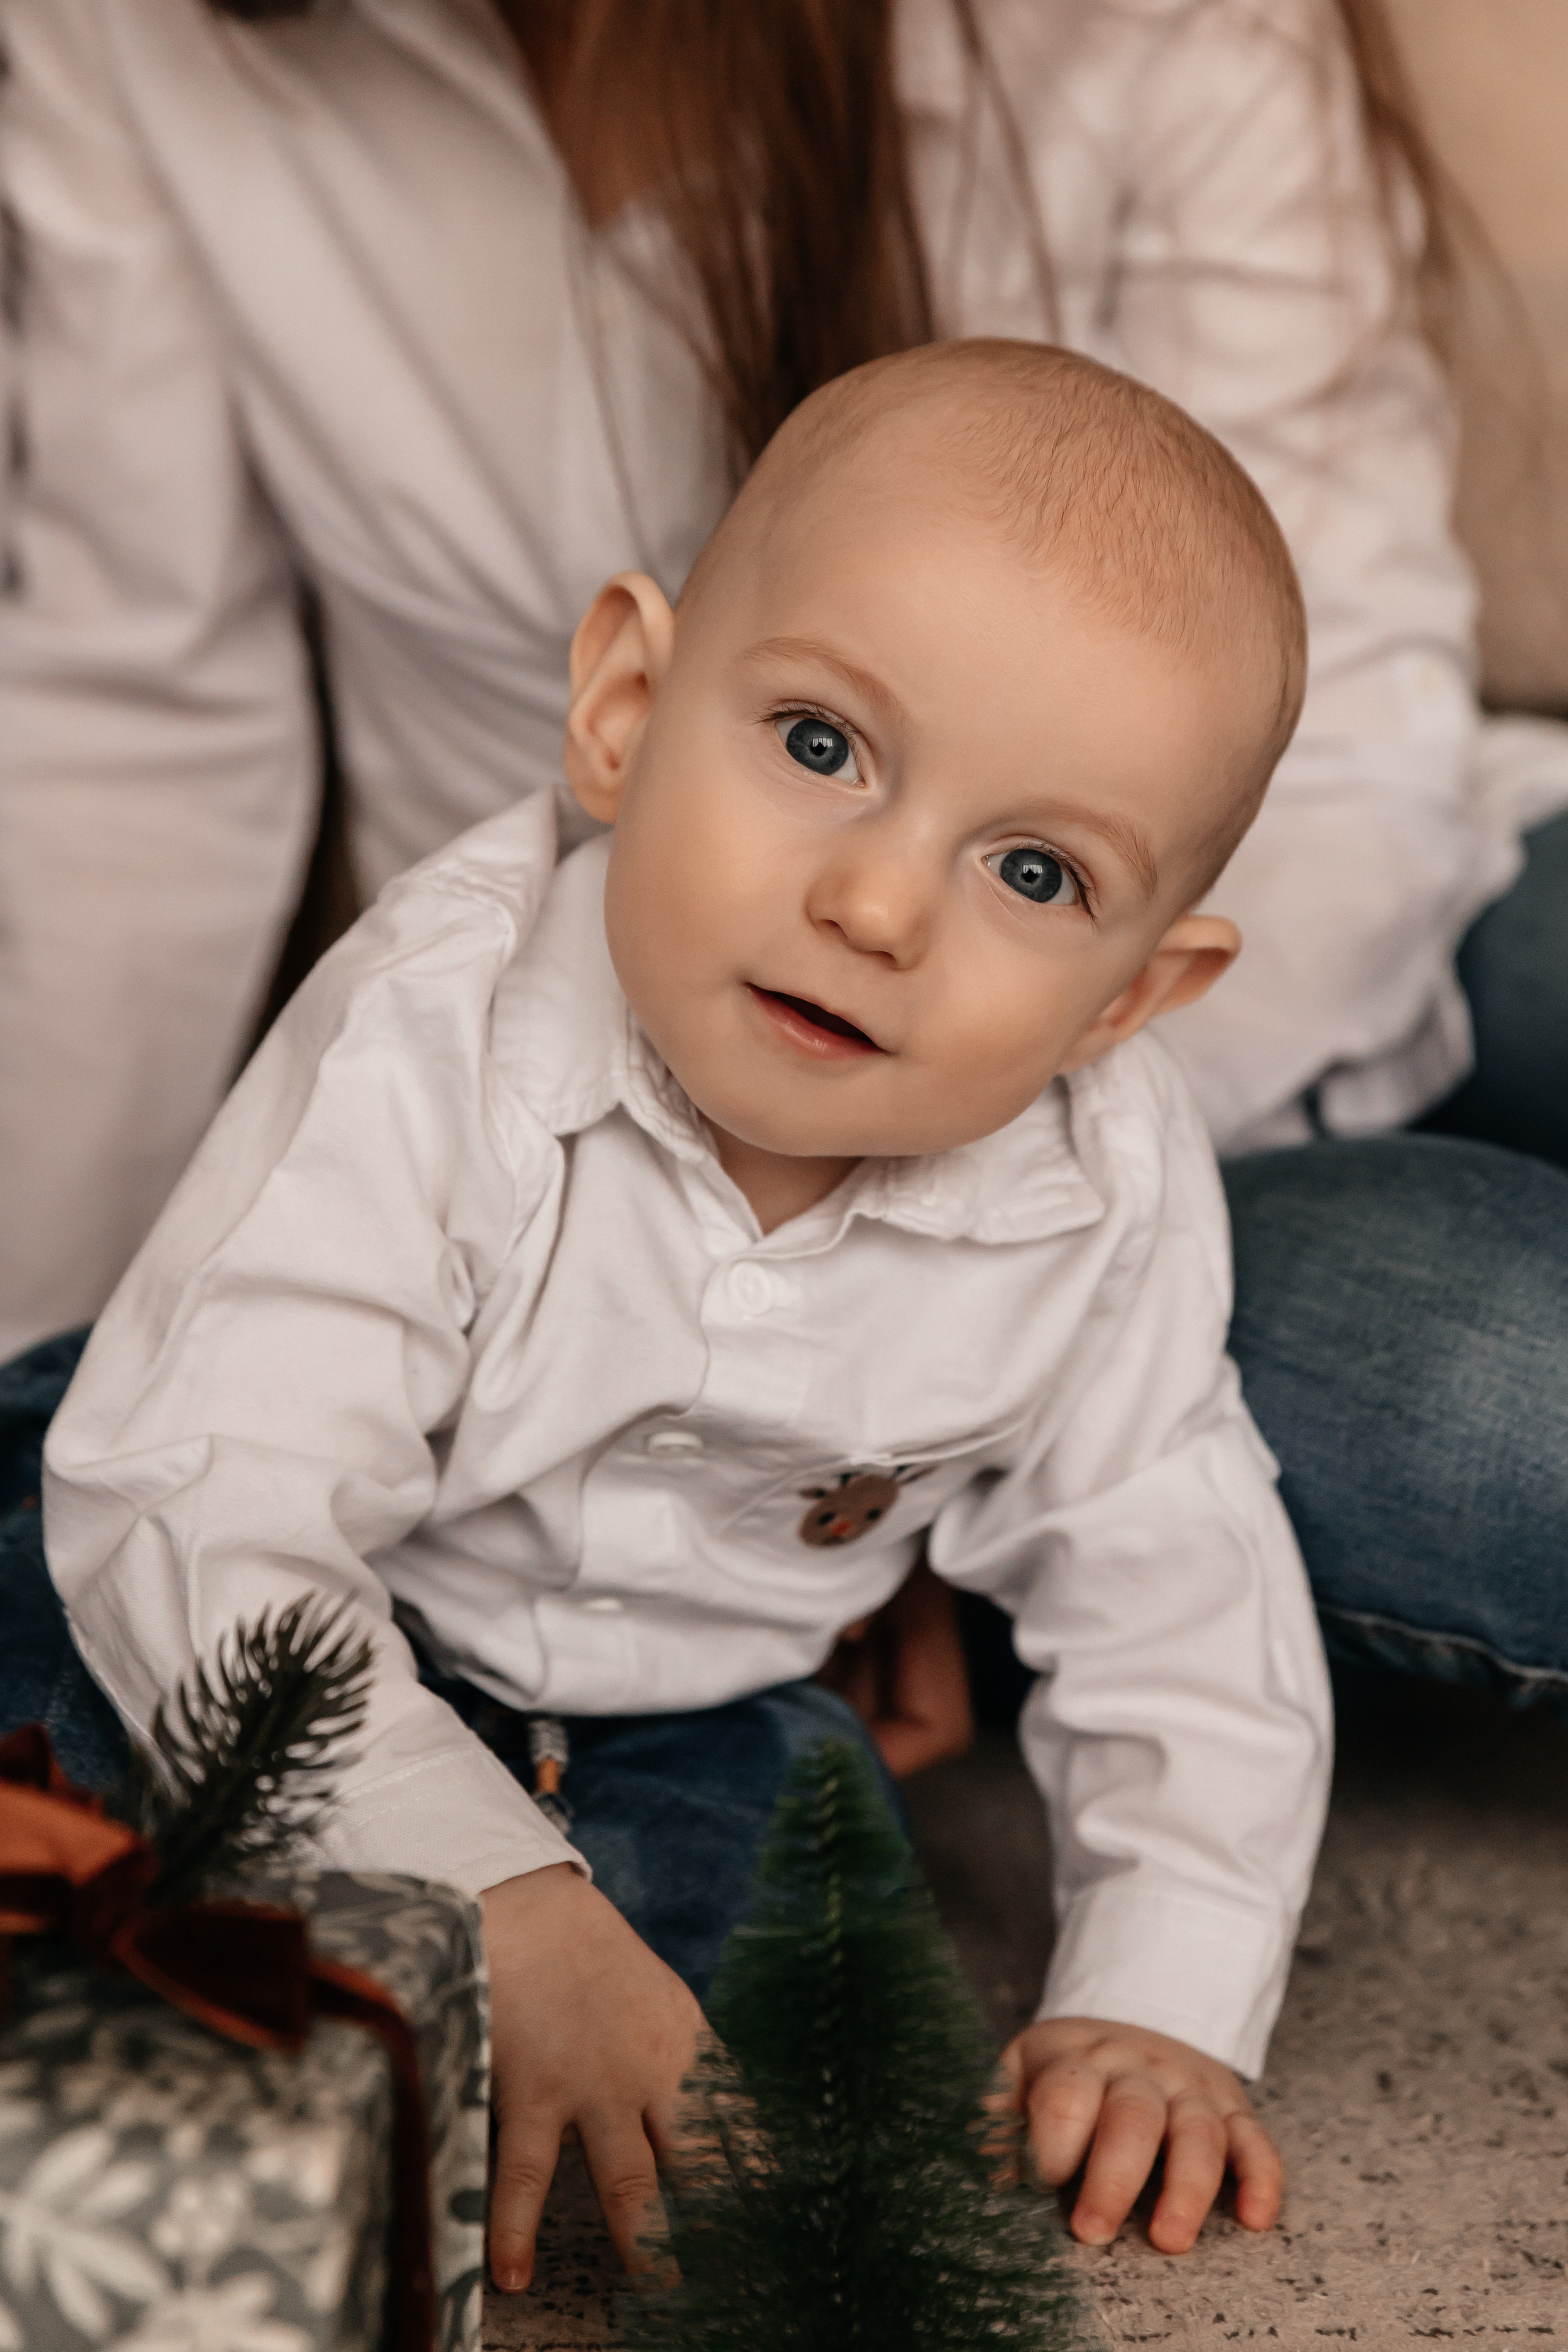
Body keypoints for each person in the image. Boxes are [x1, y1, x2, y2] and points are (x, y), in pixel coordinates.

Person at [42, 342, 1332, 2283]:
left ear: (1131, 1000)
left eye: (1037, 871)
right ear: (627, 715)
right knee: (90, 1727)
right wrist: (481, 1884)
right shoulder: (442, 1032)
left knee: (777, 2100)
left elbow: (1180, 1574)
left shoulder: (1109, 1186)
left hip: (698, 1704)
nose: (882, 907)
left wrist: (1167, 1989)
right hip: (295, 1553)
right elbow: (202, 1496)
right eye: (822, 747)